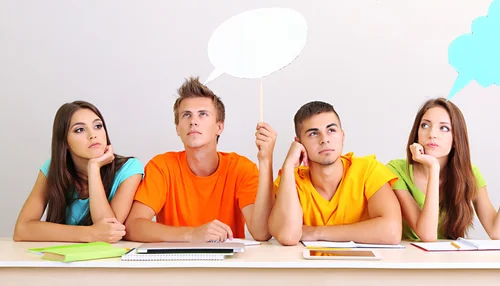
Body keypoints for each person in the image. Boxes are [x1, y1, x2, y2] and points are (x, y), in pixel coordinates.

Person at [125, 77, 276, 242]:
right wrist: (192, 234)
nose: (193, 121)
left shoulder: (241, 168)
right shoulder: (162, 167)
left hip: (226, 265)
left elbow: (261, 233)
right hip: (175, 265)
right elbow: (133, 226)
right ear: (177, 128)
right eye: (186, 115)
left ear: (219, 127)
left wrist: (266, 160)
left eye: (202, 114)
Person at [386, 98, 500, 241]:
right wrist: (433, 168)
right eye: (425, 125)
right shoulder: (396, 171)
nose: (432, 134)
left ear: (456, 138)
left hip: (450, 262)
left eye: (444, 128)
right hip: (407, 262)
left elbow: (498, 232)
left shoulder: (469, 174)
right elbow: (427, 235)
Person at [268, 101, 402, 246]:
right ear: (299, 143)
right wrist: (288, 165)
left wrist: (316, 232)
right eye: (313, 134)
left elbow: (392, 232)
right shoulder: (290, 180)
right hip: (310, 268)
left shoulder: (368, 170)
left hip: (363, 267)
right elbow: (288, 236)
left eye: (331, 130)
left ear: (342, 136)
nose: (324, 140)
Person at [14, 101, 144, 242]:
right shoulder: (53, 168)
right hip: (62, 260)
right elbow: (22, 230)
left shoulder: (130, 168)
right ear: (65, 142)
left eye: (98, 126)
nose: (92, 135)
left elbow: (108, 232)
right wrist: (90, 233)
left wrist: (94, 168)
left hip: (109, 261)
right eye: (79, 130)